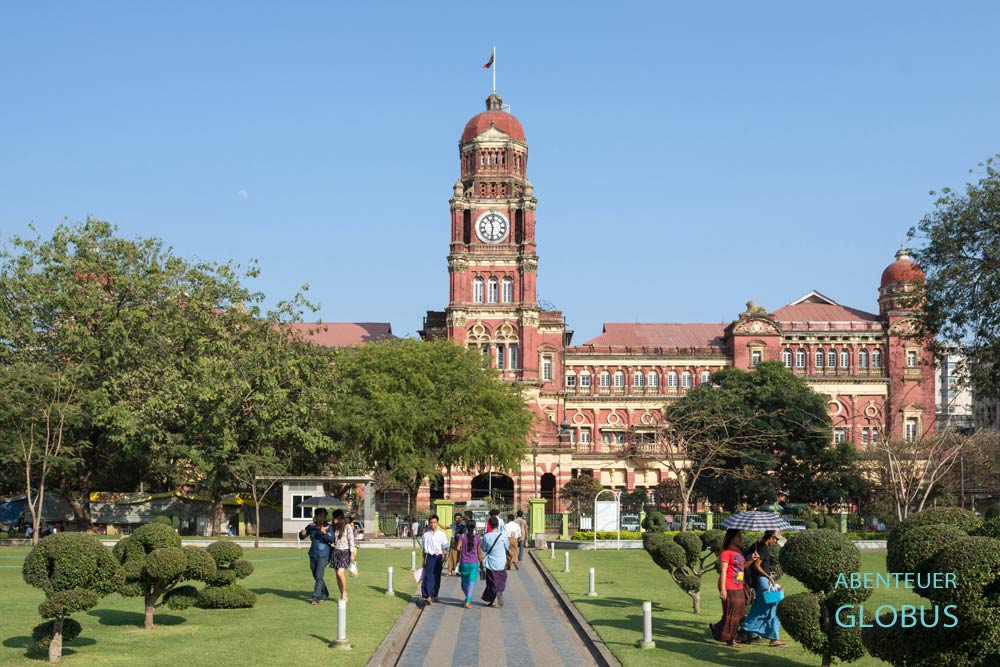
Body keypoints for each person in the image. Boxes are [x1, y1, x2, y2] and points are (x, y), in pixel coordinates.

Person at [740, 531, 787, 647]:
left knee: (761, 607)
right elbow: (757, 566)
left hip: (762, 581)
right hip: (763, 582)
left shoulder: (760, 546)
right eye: (775, 539)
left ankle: (750, 633)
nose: (776, 542)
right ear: (770, 538)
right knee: (771, 607)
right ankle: (747, 630)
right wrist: (768, 576)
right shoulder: (763, 548)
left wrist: (769, 574)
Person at [710, 528, 750, 648]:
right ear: (731, 538)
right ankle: (731, 640)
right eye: (737, 536)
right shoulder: (726, 552)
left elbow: (741, 567)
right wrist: (723, 589)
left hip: (739, 585)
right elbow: (723, 571)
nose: (740, 538)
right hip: (729, 585)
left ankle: (717, 628)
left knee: (740, 613)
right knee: (732, 613)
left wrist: (751, 560)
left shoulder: (739, 552)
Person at [298, 508, 335, 605]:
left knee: (319, 576)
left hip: (324, 555)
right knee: (316, 576)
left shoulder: (329, 527)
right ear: (316, 516)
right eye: (320, 516)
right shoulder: (311, 526)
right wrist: (302, 534)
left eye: (324, 516)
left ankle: (316, 598)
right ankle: (325, 593)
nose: (323, 517)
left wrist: (325, 533)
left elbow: (332, 539)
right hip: (313, 554)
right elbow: (303, 536)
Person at [480, 517, 509, 607]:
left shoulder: (486, 536)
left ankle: (493, 599)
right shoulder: (503, 536)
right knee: (501, 579)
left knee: (491, 581)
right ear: (498, 525)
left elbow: (483, 548)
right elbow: (507, 547)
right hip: (501, 562)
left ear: (489, 525)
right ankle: (499, 591)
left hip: (491, 562)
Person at [420, 514, 450, 604]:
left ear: (437, 523)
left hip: (438, 557)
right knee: (428, 576)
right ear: (429, 523)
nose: (433, 524)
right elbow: (424, 549)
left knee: (437, 577)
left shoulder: (442, 534)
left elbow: (446, 548)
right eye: (431, 522)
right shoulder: (426, 535)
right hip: (430, 557)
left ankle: (435, 595)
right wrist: (423, 561)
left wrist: (444, 558)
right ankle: (428, 596)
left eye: (434, 522)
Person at [329, 509, 356, 602]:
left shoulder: (347, 526)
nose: (334, 520)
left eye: (335, 518)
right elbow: (333, 540)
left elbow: (351, 540)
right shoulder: (334, 527)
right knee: (337, 575)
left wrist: (352, 553)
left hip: (345, 552)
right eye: (333, 518)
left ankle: (344, 592)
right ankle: (342, 594)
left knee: (340, 573)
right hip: (336, 552)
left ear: (340, 518)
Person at [457, 519, 481, 608]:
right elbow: (479, 552)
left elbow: (458, 548)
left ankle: (468, 599)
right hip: (474, 563)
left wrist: (463, 549)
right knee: (471, 582)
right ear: (474, 527)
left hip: (464, 562)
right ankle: (468, 600)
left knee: (464, 583)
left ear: (466, 527)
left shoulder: (462, 536)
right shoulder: (478, 538)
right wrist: (481, 562)